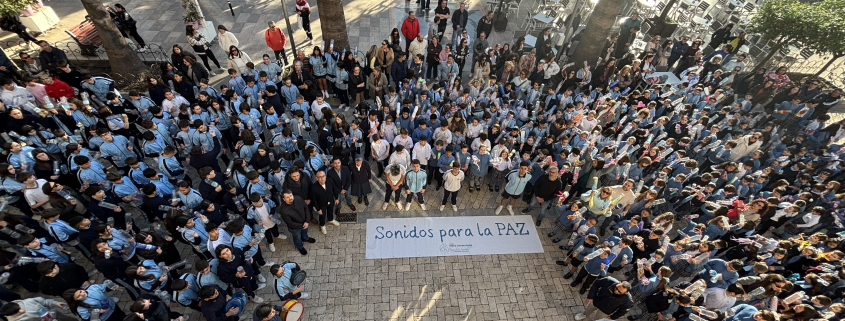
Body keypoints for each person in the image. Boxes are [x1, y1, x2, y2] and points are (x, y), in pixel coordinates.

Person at [277, 189, 315, 255]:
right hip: (294, 228)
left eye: (291, 195)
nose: (290, 198)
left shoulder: (298, 198)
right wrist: (303, 225)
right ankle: (300, 246)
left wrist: (307, 221)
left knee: (305, 232)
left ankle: (305, 238)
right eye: (287, 197)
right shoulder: (283, 210)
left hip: (304, 222)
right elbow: (290, 223)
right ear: (283, 199)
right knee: (297, 237)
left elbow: (306, 208)